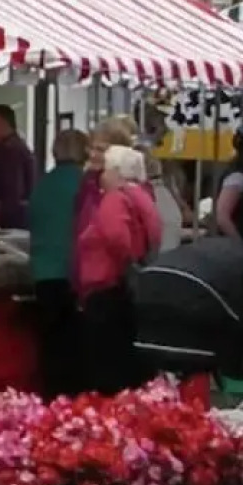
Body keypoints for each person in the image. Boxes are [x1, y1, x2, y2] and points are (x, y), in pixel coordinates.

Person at [74, 144, 162, 395]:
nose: (101, 175)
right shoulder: (142, 196)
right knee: (125, 360)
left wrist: (125, 260)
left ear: (116, 171)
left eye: (106, 170)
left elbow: (116, 237)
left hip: (105, 287)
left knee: (105, 365)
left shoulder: (114, 199)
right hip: (126, 289)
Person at [27, 129, 88, 398]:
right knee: (74, 347)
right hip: (75, 275)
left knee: (49, 345)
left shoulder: (42, 185)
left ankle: (49, 399)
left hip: (42, 274)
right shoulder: (86, 186)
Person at [74, 116, 139, 236]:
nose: (92, 154)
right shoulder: (89, 181)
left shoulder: (131, 188)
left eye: (100, 149)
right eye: (91, 148)